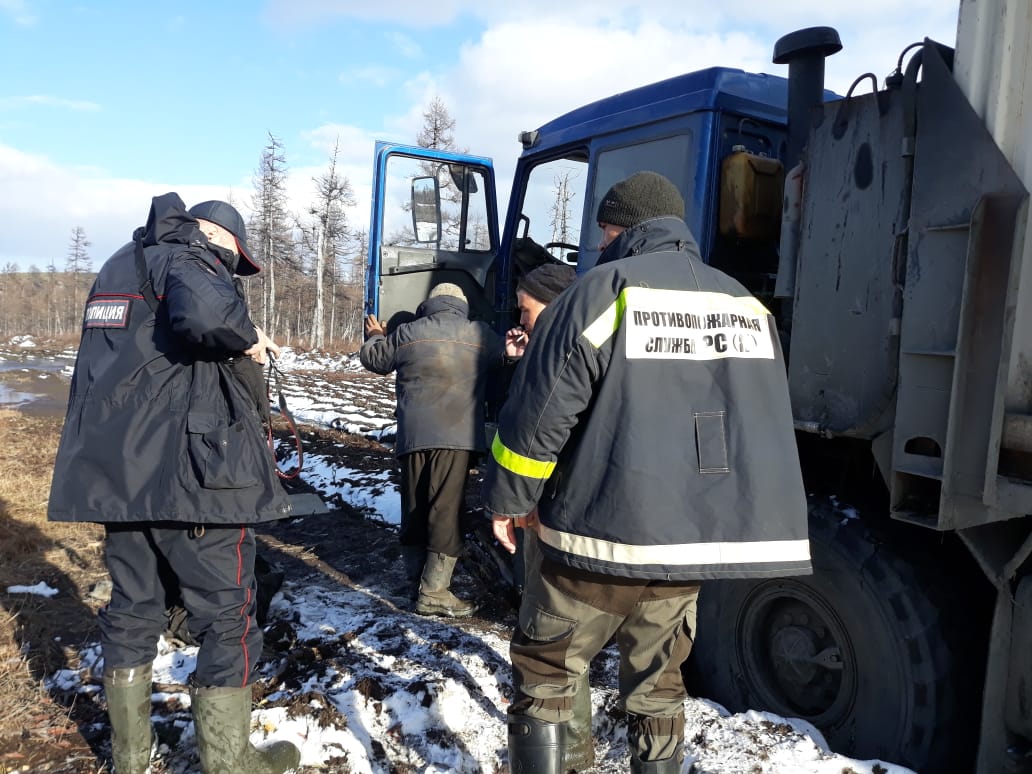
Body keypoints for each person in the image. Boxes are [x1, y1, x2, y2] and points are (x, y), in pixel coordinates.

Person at [483, 171, 811, 773]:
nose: (600, 243)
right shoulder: (746, 305)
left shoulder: (602, 290)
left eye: (604, 232)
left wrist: (509, 498)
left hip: (595, 540)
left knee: (547, 674)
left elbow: (541, 412)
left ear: (619, 227)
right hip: (688, 548)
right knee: (659, 687)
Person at [47, 193, 300, 774]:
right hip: (193, 475)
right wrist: (247, 338)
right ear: (222, 241)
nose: (234, 273)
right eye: (236, 263)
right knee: (227, 613)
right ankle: (229, 760)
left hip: (120, 475)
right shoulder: (192, 256)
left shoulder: (120, 266)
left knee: (134, 609)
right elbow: (207, 317)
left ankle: (131, 759)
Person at [361, 282, 504, 618]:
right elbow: (509, 356)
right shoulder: (478, 333)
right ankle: (435, 591)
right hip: (456, 436)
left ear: (430, 304)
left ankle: (416, 582)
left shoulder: (408, 332)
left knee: (415, 505)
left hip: (413, 437)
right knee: (445, 509)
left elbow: (375, 360)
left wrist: (376, 335)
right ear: (461, 305)